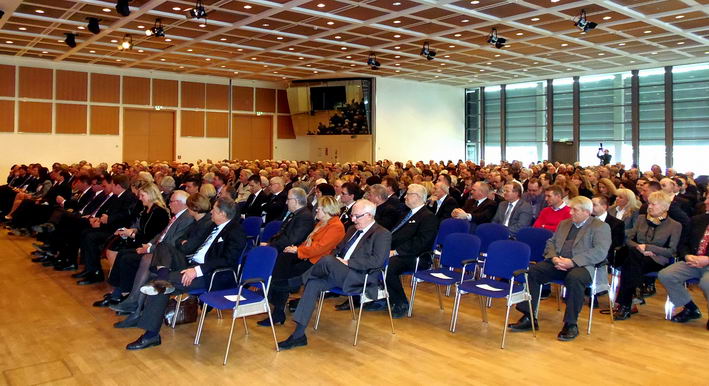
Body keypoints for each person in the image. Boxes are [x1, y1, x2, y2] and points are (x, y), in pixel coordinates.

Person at [125, 197, 247, 350]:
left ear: (222, 214)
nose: (211, 212)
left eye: (214, 210)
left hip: (210, 275)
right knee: (163, 246)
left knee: (158, 286)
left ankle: (151, 335)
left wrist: (197, 270)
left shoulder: (236, 232)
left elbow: (227, 260)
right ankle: (163, 279)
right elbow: (190, 244)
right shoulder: (212, 225)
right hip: (191, 262)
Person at [277, 199, 392, 350]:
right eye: (352, 215)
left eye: (357, 216)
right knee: (313, 283)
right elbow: (337, 249)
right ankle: (299, 335)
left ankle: (296, 282)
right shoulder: (352, 229)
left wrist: (348, 263)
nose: (353, 219)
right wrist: (338, 260)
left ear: (370, 215)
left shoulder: (382, 234)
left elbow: (377, 261)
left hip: (359, 277)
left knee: (327, 260)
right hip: (339, 273)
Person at [509, 196, 611, 341]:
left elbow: (600, 251)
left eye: (575, 210)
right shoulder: (564, 224)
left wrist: (573, 262)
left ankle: (571, 324)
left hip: (583, 266)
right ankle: (529, 316)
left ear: (586, 212)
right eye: (571, 210)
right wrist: (554, 258)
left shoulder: (600, 227)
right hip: (559, 262)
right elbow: (551, 242)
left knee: (574, 278)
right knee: (533, 271)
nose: (570, 213)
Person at [259, 196, 345, 326]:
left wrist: (297, 251)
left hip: (318, 262)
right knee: (282, 259)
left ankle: (276, 302)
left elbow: (320, 248)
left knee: (285, 273)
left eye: (320, 209)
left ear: (327, 210)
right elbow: (308, 243)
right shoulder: (322, 223)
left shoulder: (336, 226)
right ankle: (276, 303)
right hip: (308, 256)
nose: (316, 211)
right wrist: (296, 249)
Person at [613, 192, 681, 320]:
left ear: (664, 207)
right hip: (637, 256)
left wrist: (648, 248)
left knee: (630, 262)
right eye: (649, 203)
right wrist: (639, 248)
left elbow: (671, 251)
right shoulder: (641, 219)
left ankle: (625, 304)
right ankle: (631, 297)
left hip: (657, 260)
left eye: (653, 204)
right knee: (632, 258)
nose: (649, 206)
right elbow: (628, 239)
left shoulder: (675, 225)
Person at [385, 183, 439, 318]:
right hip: (398, 252)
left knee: (389, 266)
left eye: (408, 194)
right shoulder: (406, 213)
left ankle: (400, 303)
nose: (405, 197)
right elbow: (393, 234)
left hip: (417, 256)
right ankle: (380, 298)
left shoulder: (428, 217)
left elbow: (421, 242)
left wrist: (396, 251)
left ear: (418, 197)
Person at [658, 195, 709, 328]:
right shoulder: (698, 220)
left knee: (706, 283)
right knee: (666, 275)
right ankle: (690, 308)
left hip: (707, 264)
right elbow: (683, 243)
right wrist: (687, 256)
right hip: (693, 262)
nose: (705, 202)